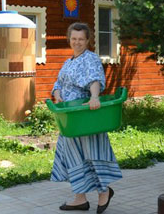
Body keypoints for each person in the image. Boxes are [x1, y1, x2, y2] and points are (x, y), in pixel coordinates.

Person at [51, 22, 122, 213]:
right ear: (69, 39)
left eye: (81, 39)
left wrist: (94, 97)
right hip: (69, 118)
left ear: (88, 40)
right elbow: (58, 81)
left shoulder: (90, 59)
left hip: (85, 116)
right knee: (73, 156)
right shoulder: (69, 61)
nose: (77, 42)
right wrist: (57, 93)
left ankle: (104, 192)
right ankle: (80, 198)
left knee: (92, 154)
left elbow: (94, 79)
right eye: (74, 38)